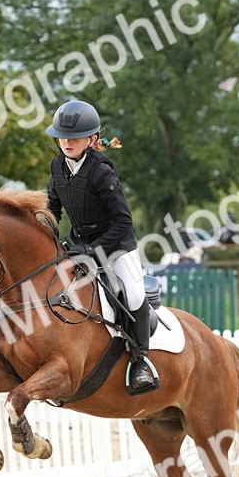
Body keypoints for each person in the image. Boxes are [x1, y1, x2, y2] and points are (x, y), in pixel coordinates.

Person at [45, 99, 159, 395]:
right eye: (63, 137)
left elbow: (123, 220)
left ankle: (140, 361)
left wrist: (95, 250)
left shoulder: (101, 171)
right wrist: (45, 229)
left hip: (117, 244)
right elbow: (53, 210)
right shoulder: (57, 167)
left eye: (74, 137)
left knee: (133, 293)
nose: (67, 142)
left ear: (91, 139)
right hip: (79, 242)